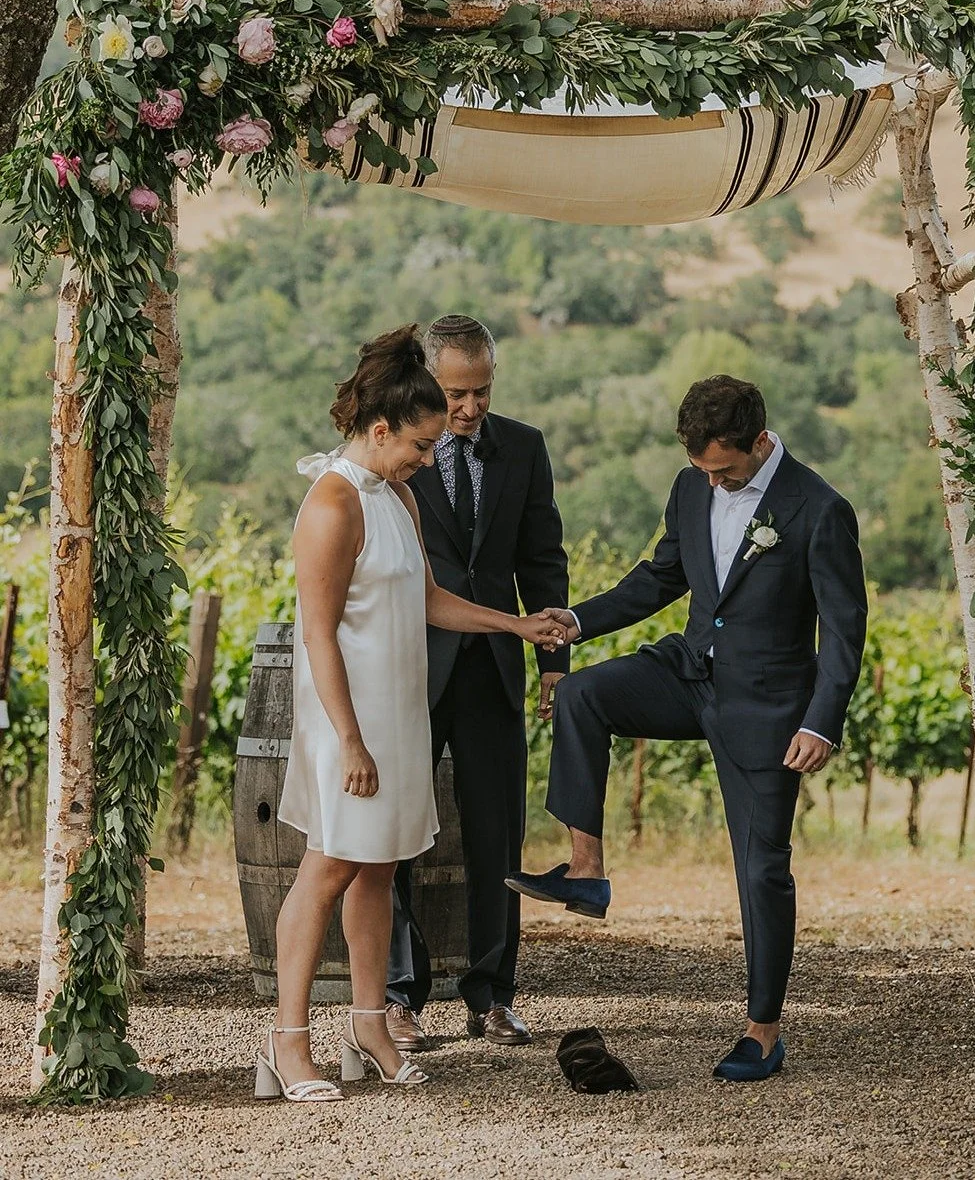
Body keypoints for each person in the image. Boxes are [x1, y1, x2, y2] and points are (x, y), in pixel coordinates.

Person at [507, 375, 866, 1082]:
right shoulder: (688, 485)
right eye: (701, 469)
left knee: (761, 869)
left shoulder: (819, 509)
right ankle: (585, 872)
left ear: (760, 442)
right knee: (582, 693)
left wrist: (821, 722)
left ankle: (761, 1033)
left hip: (767, 705)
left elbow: (846, 629)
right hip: (688, 672)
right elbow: (658, 578)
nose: (711, 480)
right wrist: (576, 620)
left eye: (722, 469)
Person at [254, 325, 564, 1103]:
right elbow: (317, 635)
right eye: (420, 446)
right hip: (347, 722)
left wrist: (515, 625)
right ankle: (286, 1042)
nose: (429, 461)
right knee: (326, 871)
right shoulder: (331, 503)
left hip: (398, 715)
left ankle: (368, 1025)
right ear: (381, 428)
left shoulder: (394, 496)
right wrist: (350, 740)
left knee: (378, 869)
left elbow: (428, 599)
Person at [386, 314, 570, 1051]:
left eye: (481, 392)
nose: (468, 408)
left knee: (498, 834)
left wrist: (553, 662)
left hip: (494, 665)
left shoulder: (523, 448)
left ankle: (492, 995)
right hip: (409, 664)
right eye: (455, 393)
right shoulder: (398, 446)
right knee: (395, 832)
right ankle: (399, 994)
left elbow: (542, 558)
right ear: (428, 382)